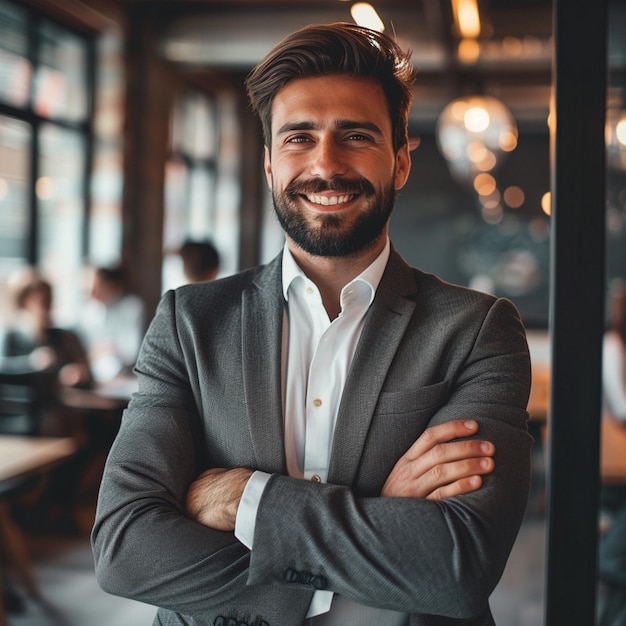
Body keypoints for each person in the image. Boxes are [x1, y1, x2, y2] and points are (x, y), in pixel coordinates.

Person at [92, 22, 532, 626]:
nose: (326, 164)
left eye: (355, 135)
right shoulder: (189, 323)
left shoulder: (477, 331)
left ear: (401, 162)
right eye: (299, 138)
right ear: (270, 164)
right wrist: (378, 516)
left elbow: (457, 567)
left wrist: (243, 496)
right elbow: (124, 548)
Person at [78, 265, 145, 383]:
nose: (91, 293)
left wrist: (102, 350)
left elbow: (130, 352)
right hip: (95, 374)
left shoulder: (131, 307)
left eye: (96, 287)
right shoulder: (89, 312)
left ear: (111, 285)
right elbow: (86, 353)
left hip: (124, 373)